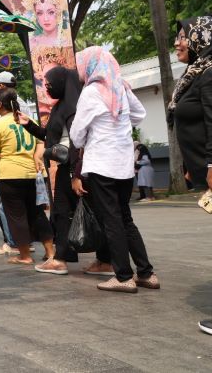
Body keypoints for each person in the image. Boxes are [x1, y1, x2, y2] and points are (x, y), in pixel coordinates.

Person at [70, 46, 158, 293]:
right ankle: (146, 273)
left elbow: (76, 136)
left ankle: (123, 277)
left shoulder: (91, 92)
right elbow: (139, 114)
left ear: (90, 66)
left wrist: (94, 133)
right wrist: (118, 121)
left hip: (102, 164)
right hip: (124, 166)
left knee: (111, 220)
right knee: (125, 218)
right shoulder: (121, 87)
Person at [18, 66, 113, 276]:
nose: (47, 88)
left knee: (64, 213)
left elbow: (77, 142)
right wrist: (29, 125)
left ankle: (61, 259)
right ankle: (104, 260)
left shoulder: (71, 108)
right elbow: (50, 135)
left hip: (75, 168)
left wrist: (74, 174)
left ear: (62, 83)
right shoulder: (63, 106)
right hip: (76, 168)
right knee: (85, 212)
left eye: (49, 84)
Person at [167, 17, 212, 332]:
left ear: (200, 37)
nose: (177, 42)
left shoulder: (209, 74)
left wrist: (210, 164)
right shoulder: (197, 73)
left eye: (183, 36)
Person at [0, 88, 56, 266]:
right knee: (38, 214)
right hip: (33, 174)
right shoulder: (28, 120)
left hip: (10, 175)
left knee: (16, 216)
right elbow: (41, 142)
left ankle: (25, 255)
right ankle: (50, 252)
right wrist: (37, 157)